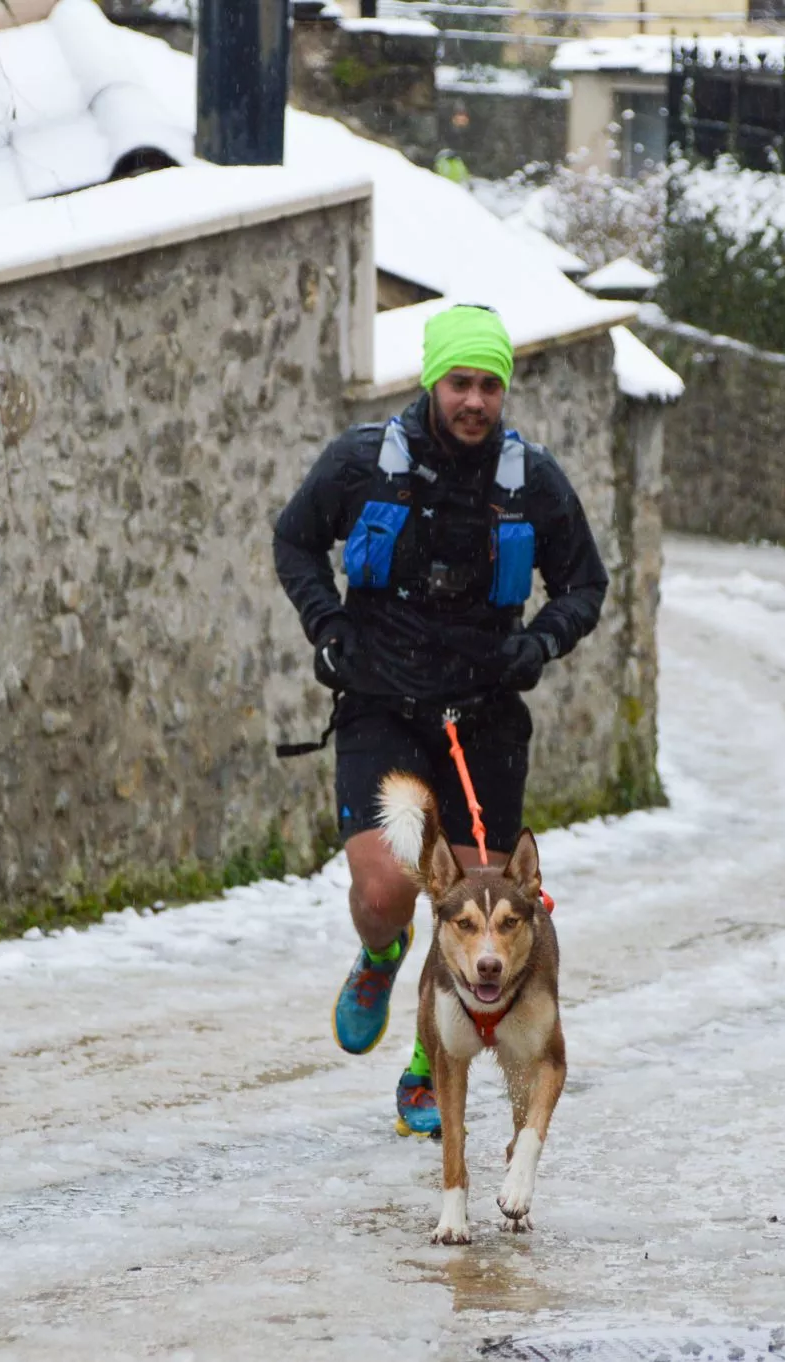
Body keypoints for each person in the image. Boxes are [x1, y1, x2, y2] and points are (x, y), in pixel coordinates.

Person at [272, 304, 608, 1136]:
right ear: (432, 382)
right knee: (389, 892)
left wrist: (541, 642)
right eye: (461, 382)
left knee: (479, 908)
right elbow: (293, 542)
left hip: (485, 716)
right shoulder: (364, 464)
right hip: (383, 705)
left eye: (490, 385)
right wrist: (330, 626)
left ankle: (431, 1058)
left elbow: (585, 585)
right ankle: (382, 953)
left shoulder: (532, 481)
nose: (475, 401)